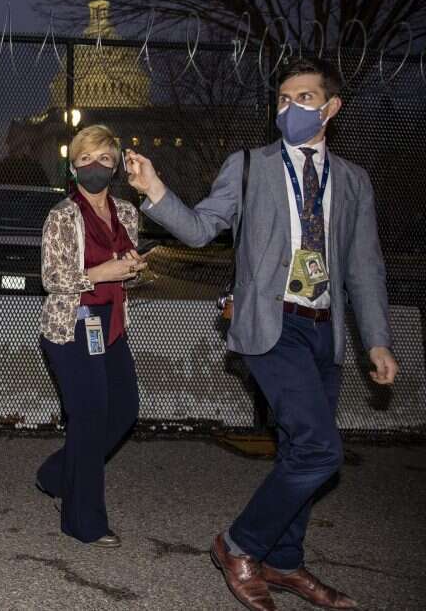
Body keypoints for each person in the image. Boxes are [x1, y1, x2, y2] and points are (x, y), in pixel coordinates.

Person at [126, 56, 397, 611]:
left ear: (330, 108)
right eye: (283, 98)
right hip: (272, 325)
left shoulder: (352, 180)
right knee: (323, 450)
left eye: (303, 98)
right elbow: (202, 230)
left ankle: (285, 561)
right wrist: (155, 188)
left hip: (326, 329)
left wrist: (377, 340)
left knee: (300, 449)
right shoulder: (249, 165)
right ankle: (240, 544)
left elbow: (364, 266)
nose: (290, 107)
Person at [35, 124, 144, 549]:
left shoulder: (128, 213)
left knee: (124, 411)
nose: (94, 166)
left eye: (103, 159)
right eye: (85, 159)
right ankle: (84, 521)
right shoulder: (62, 215)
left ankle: (55, 474)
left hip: (111, 324)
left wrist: (133, 270)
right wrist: (99, 273)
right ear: (73, 167)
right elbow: (51, 278)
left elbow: (126, 277)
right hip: (72, 326)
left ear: (114, 166)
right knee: (90, 417)